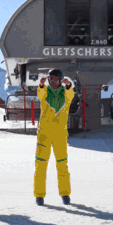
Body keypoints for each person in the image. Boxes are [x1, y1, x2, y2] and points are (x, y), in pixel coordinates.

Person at [34, 68, 74, 206]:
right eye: (50, 79)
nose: (52, 82)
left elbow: (70, 94)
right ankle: (39, 195)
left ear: (60, 80)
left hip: (60, 136)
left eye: (55, 79)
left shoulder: (66, 94)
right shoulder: (45, 92)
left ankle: (65, 193)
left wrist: (68, 85)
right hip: (44, 135)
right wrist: (41, 84)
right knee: (41, 165)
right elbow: (40, 93)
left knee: (62, 165)